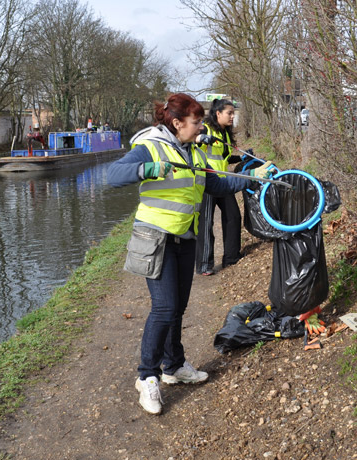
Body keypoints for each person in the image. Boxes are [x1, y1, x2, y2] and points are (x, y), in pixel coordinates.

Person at [106, 93, 272, 415]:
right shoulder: (151, 146)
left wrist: (251, 180)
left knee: (178, 307)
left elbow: (216, 185)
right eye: (196, 123)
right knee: (165, 307)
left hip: (185, 238)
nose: (200, 128)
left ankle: (174, 365)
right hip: (156, 238)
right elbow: (112, 176)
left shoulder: (193, 151)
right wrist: (147, 169)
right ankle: (147, 376)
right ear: (177, 122)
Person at [195, 99, 243, 276]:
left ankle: (231, 257)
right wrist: (200, 138)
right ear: (218, 114)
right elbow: (193, 145)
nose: (232, 116)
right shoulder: (205, 129)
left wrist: (240, 159)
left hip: (223, 182)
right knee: (205, 223)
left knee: (233, 217)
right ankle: (204, 265)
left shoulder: (225, 134)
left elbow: (223, 157)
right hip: (207, 182)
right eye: (229, 113)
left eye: (233, 113)